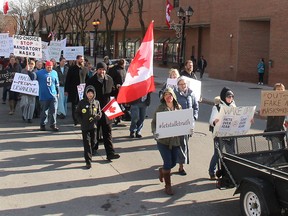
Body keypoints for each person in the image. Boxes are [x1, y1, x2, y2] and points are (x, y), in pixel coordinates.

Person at [86, 62, 120, 161]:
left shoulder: (109, 79)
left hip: (107, 109)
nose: (102, 71)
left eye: (104, 70)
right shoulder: (91, 80)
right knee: (94, 132)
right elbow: (87, 94)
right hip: (95, 110)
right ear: (97, 70)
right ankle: (93, 150)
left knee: (108, 132)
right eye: (100, 69)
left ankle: (110, 153)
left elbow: (112, 92)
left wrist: (118, 89)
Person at [151, 87, 182, 195]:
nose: (168, 97)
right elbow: (154, 122)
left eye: (170, 95)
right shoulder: (161, 108)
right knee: (168, 163)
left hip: (175, 141)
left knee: (173, 162)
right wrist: (155, 132)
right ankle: (168, 186)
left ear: (173, 96)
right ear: (163, 97)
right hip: (163, 141)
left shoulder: (178, 107)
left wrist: (188, 129)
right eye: (166, 95)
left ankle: (162, 171)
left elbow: (183, 122)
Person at [208, 87, 236, 180]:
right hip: (219, 134)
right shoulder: (217, 107)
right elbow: (211, 121)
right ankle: (212, 171)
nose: (230, 98)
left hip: (230, 133)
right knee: (218, 154)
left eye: (232, 96)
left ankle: (229, 173)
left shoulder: (233, 106)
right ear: (224, 97)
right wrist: (215, 121)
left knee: (231, 153)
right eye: (228, 96)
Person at [174, 77, 199, 175]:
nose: (183, 86)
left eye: (184, 84)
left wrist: (194, 117)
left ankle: (180, 162)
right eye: (181, 84)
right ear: (178, 85)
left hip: (189, 124)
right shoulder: (175, 94)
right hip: (178, 124)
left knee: (184, 143)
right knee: (181, 143)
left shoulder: (191, 94)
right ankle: (181, 166)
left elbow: (195, 107)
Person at [28, 61, 60, 132]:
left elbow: (57, 84)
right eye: (48, 67)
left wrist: (58, 92)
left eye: (50, 67)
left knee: (54, 110)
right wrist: (29, 71)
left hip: (53, 95)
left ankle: (53, 124)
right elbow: (32, 77)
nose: (49, 69)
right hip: (44, 95)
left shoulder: (54, 73)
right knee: (44, 112)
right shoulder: (40, 73)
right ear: (45, 66)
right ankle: (42, 124)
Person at [75, 85, 102, 169]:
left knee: (93, 142)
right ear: (86, 93)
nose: (90, 95)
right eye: (88, 93)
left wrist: (98, 116)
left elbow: (99, 112)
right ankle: (88, 161)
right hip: (85, 126)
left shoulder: (96, 102)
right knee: (87, 144)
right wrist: (81, 121)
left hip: (93, 126)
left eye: (92, 93)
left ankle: (92, 150)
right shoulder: (82, 102)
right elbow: (77, 113)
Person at [265, 83, 288, 149]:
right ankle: (277, 159)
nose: (280, 91)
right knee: (276, 149)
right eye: (278, 89)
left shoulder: (285, 101)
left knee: (283, 149)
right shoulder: (270, 101)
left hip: (282, 129)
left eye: (281, 89)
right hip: (273, 129)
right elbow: (264, 113)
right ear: (274, 90)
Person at [65, 55, 85, 126]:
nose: (82, 61)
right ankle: (75, 120)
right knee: (75, 106)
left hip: (82, 90)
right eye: (80, 59)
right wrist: (66, 90)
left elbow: (87, 78)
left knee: (82, 105)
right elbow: (68, 79)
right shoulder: (72, 69)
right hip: (74, 90)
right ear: (77, 60)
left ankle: (81, 119)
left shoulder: (84, 69)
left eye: (82, 59)